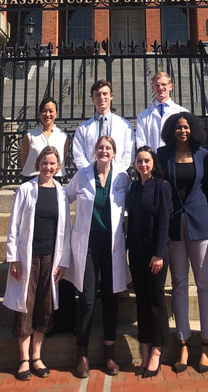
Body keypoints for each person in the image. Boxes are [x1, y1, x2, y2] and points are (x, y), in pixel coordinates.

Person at [3, 146, 71, 381]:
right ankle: (23, 359)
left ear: (58, 167)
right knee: (25, 306)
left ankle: (37, 356)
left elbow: (66, 231)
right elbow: (14, 225)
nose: (48, 167)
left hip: (50, 257)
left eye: (52, 164)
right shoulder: (25, 190)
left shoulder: (61, 194)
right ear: (38, 164)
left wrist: (63, 261)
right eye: (44, 163)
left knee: (44, 306)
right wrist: (12, 257)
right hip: (27, 257)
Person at [65, 134, 130, 378]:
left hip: (112, 245)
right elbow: (65, 197)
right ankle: (82, 354)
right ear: (95, 151)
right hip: (88, 245)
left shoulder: (123, 176)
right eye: (100, 147)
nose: (104, 151)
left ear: (114, 152)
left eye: (108, 148)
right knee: (88, 299)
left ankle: (109, 353)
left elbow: (133, 204)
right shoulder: (82, 175)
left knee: (112, 299)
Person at [157, 112, 208, 374]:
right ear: (172, 130)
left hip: (199, 221)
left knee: (203, 283)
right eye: (179, 127)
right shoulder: (162, 154)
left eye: (186, 127)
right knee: (179, 284)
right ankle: (182, 341)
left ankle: (205, 343)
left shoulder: (203, 154)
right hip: (173, 223)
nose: (183, 131)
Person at [126, 146, 172, 377]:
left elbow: (164, 221)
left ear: (153, 163)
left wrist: (159, 254)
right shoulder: (134, 187)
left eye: (146, 160)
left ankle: (157, 351)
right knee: (142, 300)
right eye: (139, 161)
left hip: (155, 253)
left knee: (156, 300)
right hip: (136, 251)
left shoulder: (162, 187)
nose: (143, 165)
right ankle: (144, 350)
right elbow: (131, 220)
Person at [72, 79, 134, 171]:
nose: (101, 97)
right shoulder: (83, 128)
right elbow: (78, 154)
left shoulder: (124, 125)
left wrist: (115, 173)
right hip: (91, 177)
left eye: (105, 94)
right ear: (92, 99)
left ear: (111, 96)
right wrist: (90, 172)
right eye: (97, 95)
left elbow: (129, 153)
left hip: (117, 176)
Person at [135, 71, 187, 151]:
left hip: (175, 159)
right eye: (157, 85)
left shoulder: (182, 112)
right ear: (153, 88)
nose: (160, 88)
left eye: (163, 84)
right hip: (152, 161)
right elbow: (141, 142)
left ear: (170, 86)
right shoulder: (143, 116)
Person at [21, 97, 68, 179]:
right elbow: (24, 161)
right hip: (32, 179)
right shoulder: (29, 136)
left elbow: (62, 160)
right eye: (44, 111)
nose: (47, 114)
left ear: (56, 113)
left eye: (51, 111)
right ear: (40, 113)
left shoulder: (63, 137)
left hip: (55, 179)